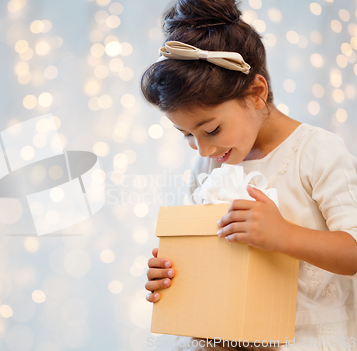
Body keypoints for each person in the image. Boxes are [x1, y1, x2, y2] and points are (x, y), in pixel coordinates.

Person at [141, 1, 357, 350]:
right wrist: (171, 273)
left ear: (256, 93)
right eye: (187, 136)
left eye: (211, 130)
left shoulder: (316, 153)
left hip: (306, 338)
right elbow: (209, 256)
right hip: (224, 338)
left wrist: (283, 234)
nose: (203, 149)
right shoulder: (208, 168)